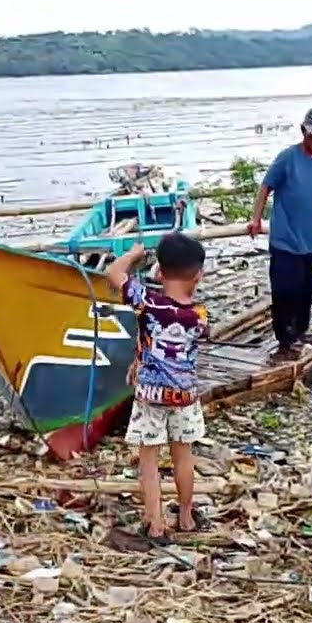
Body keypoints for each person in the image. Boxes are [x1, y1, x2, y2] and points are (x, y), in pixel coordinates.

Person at [105, 233, 210, 545]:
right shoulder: (199, 316)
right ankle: (186, 517)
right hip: (185, 396)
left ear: (159, 272)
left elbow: (113, 273)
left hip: (151, 396)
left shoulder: (146, 301)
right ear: (198, 276)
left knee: (149, 460)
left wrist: (134, 254)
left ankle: (156, 526)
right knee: (183, 455)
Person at [249, 106, 312, 361]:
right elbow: (265, 187)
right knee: (284, 292)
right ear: (304, 131)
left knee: (307, 289)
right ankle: (284, 340)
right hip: (286, 240)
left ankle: (300, 332)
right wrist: (256, 219)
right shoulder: (287, 158)